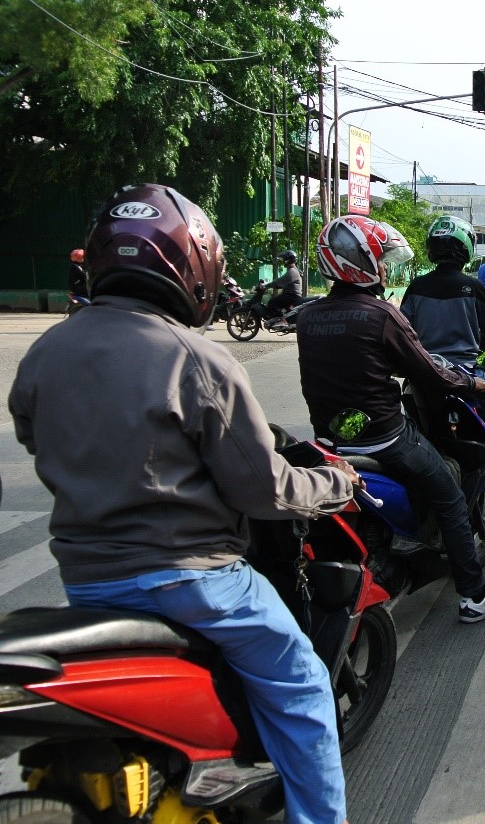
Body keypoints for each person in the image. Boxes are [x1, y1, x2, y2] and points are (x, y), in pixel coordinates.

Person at [9, 183, 358, 824]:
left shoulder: (45, 350)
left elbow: (36, 436)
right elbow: (266, 488)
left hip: (89, 582)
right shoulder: (195, 357)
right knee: (302, 680)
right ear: (190, 265)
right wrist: (337, 485)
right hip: (195, 581)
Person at [297, 214, 485, 625]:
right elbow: (428, 371)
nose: (383, 267)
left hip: (330, 440)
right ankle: (473, 596)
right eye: (379, 258)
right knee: (450, 498)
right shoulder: (380, 315)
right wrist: (472, 385)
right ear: (360, 263)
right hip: (384, 438)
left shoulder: (309, 316)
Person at [399, 216, 485, 519]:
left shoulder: (417, 287)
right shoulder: (472, 287)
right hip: (467, 376)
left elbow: (403, 330)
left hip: (424, 376)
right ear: (465, 249)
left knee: (415, 430)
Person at [266, 249, 303, 330]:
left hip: (292, 296)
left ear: (288, 260)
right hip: (291, 295)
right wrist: (275, 286)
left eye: (284, 260)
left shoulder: (292, 271)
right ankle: (284, 319)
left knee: (272, 302)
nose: (283, 262)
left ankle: (283, 320)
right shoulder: (292, 270)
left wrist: (267, 285)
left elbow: (280, 281)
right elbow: (283, 283)